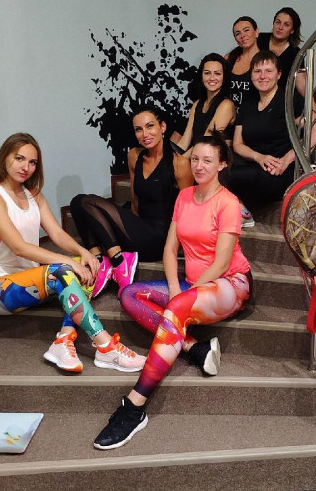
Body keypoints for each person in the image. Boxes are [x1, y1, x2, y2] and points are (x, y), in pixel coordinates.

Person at [93, 132, 252, 450]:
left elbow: (222, 262)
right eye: (195, 159)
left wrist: (182, 296)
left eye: (208, 160)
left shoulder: (228, 203)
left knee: (177, 308)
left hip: (230, 283)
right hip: (192, 286)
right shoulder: (185, 197)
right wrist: (176, 288)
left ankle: (134, 406)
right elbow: (169, 250)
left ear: (221, 165)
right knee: (129, 295)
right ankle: (194, 348)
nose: (199, 166)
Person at [0, 133, 146, 374]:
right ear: (5, 158)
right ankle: (106, 347)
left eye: (32, 162)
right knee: (63, 270)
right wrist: (68, 261)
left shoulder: (33, 195)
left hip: (32, 282)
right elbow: (18, 247)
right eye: (19, 158)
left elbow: (56, 233)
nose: (26, 167)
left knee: (89, 266)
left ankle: (64, 339)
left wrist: (83, 253)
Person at [70, 106, 193, 298]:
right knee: (77, 203)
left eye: (150, 126)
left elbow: (188, 213)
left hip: (159, 238)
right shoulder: (135, 155)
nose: (145, 134)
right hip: (139, 227)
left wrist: (179, 250)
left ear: (162, 127)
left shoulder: (180, 164)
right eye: (138, 129)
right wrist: (126, 228)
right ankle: (99, 261)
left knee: (88, 203)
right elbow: (135, 199)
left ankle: (118, 262)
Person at [226, 50, 316, 227]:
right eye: (257, 71)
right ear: (251, 75)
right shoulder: (248, 102)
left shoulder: (289, 100)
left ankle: (240, 213)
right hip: (254, 163)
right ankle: (242, 210)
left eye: (268, 71)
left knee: (230, 176)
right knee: (216, 169)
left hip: (279, 170)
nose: (262, 76)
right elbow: (238, 144)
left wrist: (287, 159)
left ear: (279, 75)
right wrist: (258, 157)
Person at [258, 6, 316, 118]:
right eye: (278, 22)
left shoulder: (295, 53)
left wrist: (314, 108)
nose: (280, 27)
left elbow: (302, 83)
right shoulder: (259, 39)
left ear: (292, 30)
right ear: (273, 24)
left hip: (281, 99)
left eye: (286, 25)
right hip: (257, 93)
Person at [175, 53, 235, 156]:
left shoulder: (226, 105)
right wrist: (172, 159)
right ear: (201, 76)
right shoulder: (197, 104)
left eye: (217, 73)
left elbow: (206, 141)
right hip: (195, 156)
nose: (212, 78)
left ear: (224, 77)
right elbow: (184, 141)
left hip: (213, 158)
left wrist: (181, 161)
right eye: (207, 73)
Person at [225, 16, 260, 110]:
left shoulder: (266, 61)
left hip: (252, 115)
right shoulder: (228, 58)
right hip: (227, 115)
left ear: (256, 32)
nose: (242, 35)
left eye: (246, 30)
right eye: (238, 33)